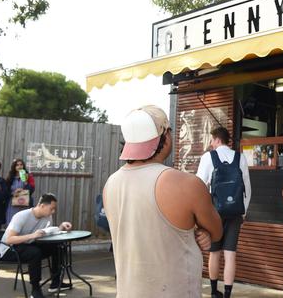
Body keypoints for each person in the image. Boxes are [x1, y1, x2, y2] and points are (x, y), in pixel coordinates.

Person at [104, 105, 223, 298]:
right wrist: (200, 232)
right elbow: (217, 232)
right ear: (165, 136)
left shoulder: (110, 184)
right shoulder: (187, 183)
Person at [196, 126, 252, 298]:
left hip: (214, 213)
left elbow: (198, 185)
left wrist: (201, 214)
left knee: (214, 253)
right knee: (230, 255)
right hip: (235, 212)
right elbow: (247, 188)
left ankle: (214, 292)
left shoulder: (208, 157)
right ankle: (227, 294)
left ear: (217, 139)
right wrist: (243, 212)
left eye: (211, 140)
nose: (211, 144)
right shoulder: (240, 157)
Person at [0, 193, 73, 298]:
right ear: (42, 206)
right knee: (35, 252)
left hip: (28, 244)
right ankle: (35, 290)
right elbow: (9, 239)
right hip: (10, 249)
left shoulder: (47, 217)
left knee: (58, 247)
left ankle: (55, 283)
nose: (53, 211)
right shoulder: (21, 216)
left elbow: (46, 233)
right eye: (51, 208)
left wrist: (60, 227)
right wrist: (32, 235)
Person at [5, 158, 35, 224]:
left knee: (24, 222)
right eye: (17, 165)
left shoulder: (28, 176)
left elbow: (32, 189)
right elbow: (6, 191)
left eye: (21, 165)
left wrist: (25, 184)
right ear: (14, 167)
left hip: (25, 203)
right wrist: (13, 193)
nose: (19, 166)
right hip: (12, 204)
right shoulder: (10, 177)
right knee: (12, 222)